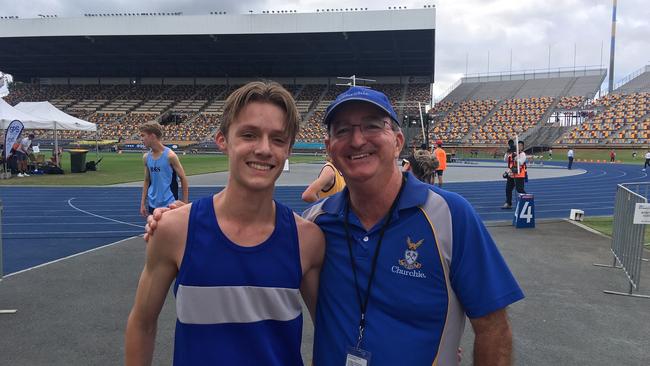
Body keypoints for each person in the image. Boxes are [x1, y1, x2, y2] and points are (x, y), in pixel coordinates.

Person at [146, 86, 524, 365]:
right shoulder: (317, 225)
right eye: (342, 130)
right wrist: (181, 216)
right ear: (330, 147)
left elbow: (493, 327)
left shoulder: (449, 215)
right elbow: (248, 232)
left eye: (371, 126)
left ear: (397, 139)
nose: (357, 139)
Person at [126, 81, 325, 365]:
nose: (264, 149)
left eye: (278, 139)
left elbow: (329, 333)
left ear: (289, 149)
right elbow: (142, 323)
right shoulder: (175, 230)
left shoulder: (308, 240)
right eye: (249, 135)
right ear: (222, 140)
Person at [138, 122, 189, 217]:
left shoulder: (170, 156)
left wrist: (185, 203)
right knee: (155, 231)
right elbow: (147, 180)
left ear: (152, 136)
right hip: (152, 204)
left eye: (143, 135)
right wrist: (142, 203)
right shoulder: (146, 157)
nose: (141, 139)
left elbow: (183, 178)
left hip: (169, 203)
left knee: (169, 231)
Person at [502, 140, 527, 209]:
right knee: (508, 189)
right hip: (511, 174)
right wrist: (508, 152)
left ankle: (526, 202)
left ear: (523, 147)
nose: (519, 146)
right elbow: (505, 159)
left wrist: (515, 157)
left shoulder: (522, 154)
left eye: (521, 145)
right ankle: (508, 203)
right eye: (518, 145)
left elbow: (520, 162)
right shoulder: (512, 153)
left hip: (519, 175)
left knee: (520, 190)